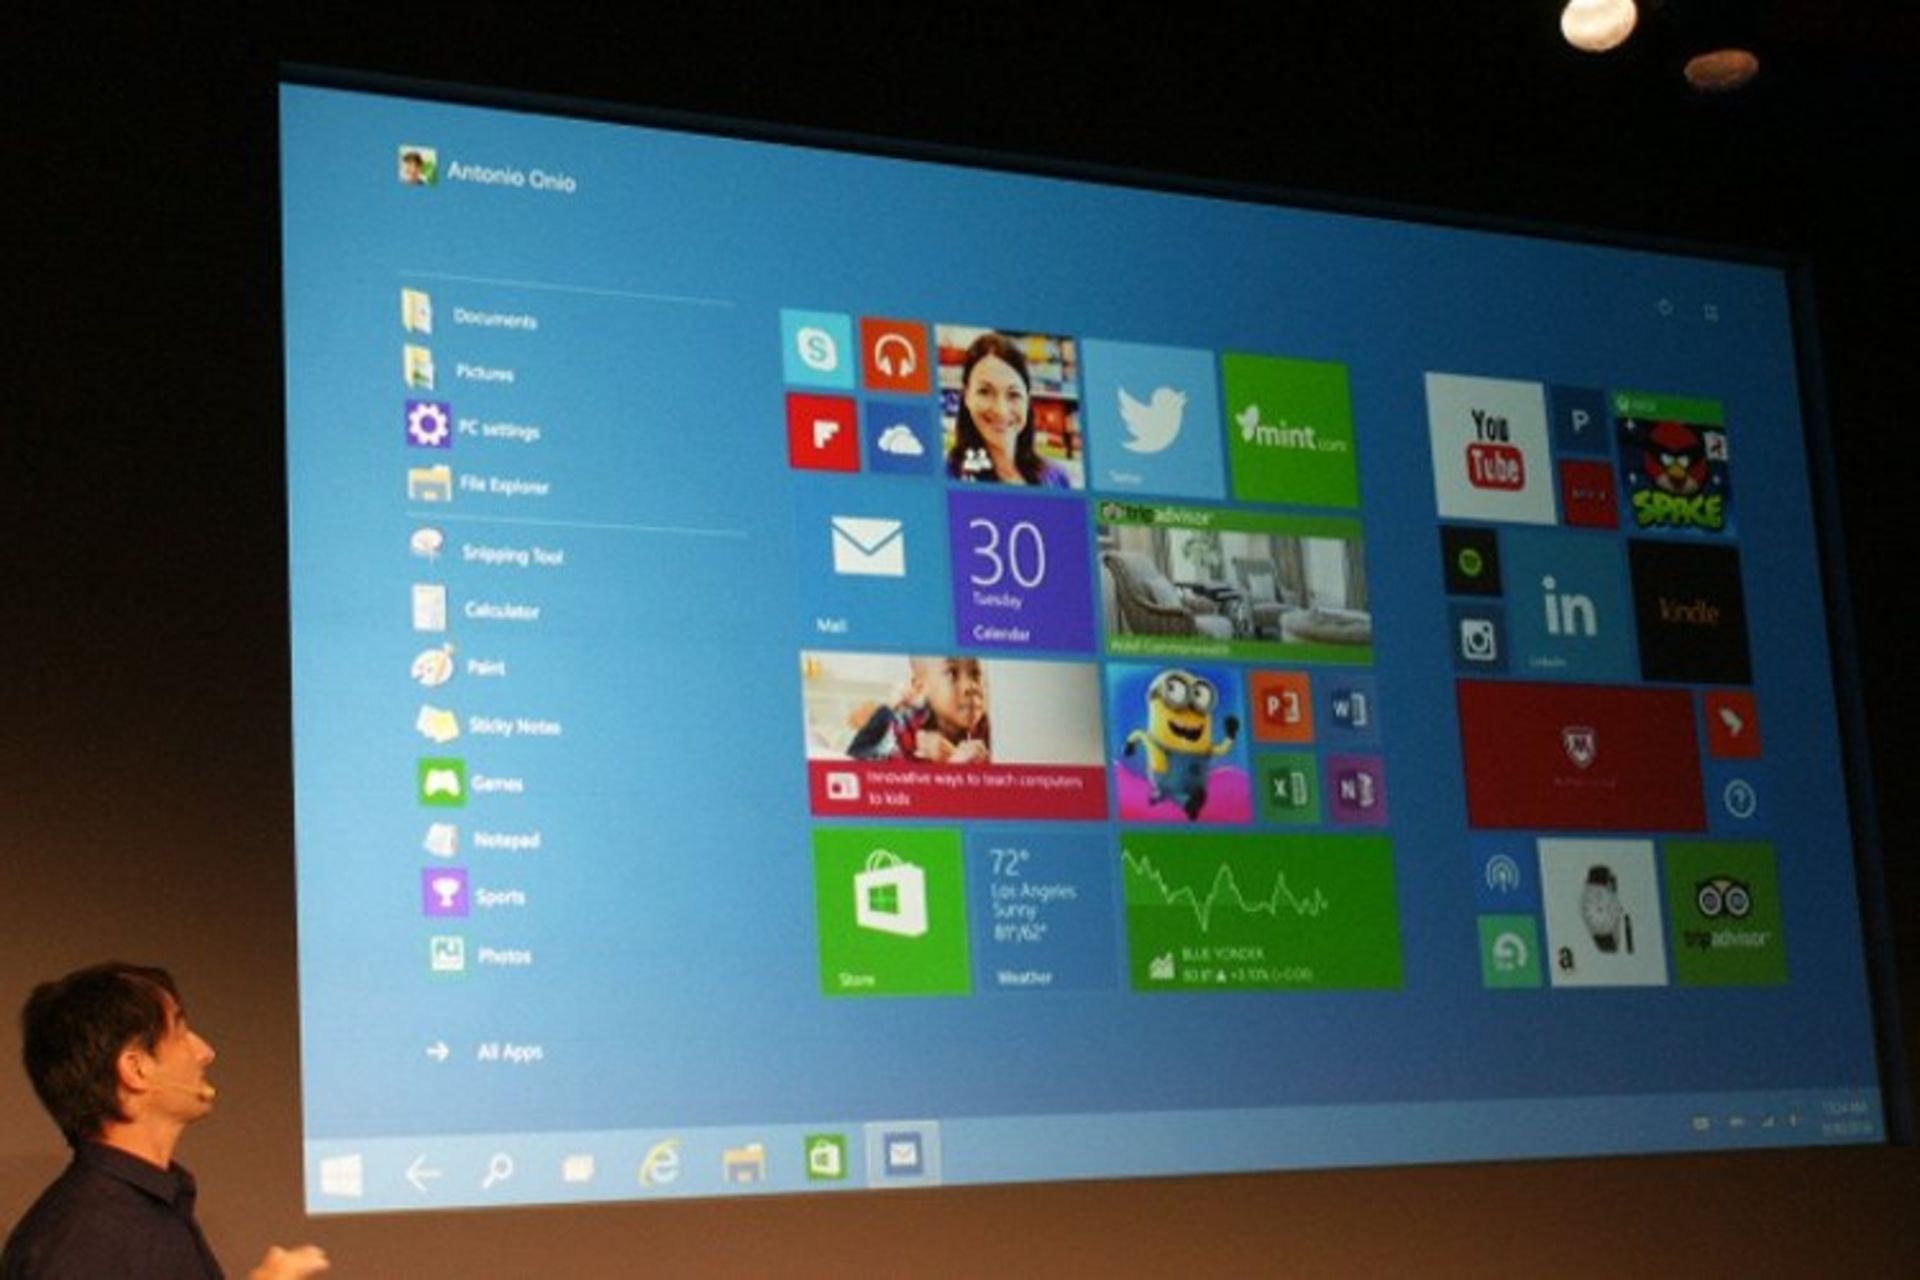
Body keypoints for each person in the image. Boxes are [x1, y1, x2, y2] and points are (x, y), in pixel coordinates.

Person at [1, 962, 329, 1280]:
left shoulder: (146, 1210)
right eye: (180, 1031)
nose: (205, 1052)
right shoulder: (82, 1241)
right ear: (136, 1069)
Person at [944, 332, 1074, 487]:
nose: (1001, 410)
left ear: (1027, 400)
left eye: (1013, 394)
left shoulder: (1057, 477)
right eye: (985, 392)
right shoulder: (948, 476)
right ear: (966, 396)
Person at [847, 656, 992, 764]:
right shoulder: (907, 729)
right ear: (921, 687)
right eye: (951, 673)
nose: (971, 686)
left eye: (975, 674)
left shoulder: (990, 730)